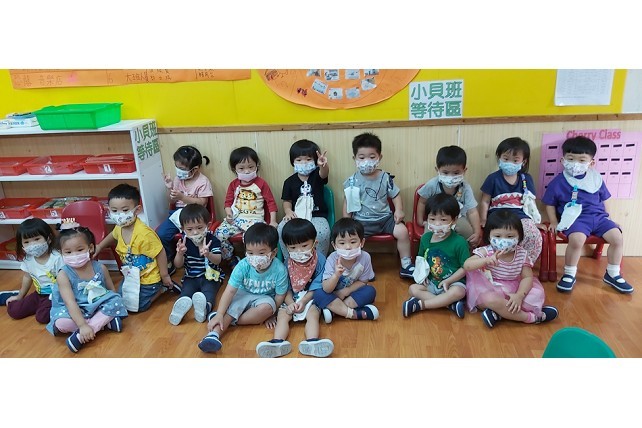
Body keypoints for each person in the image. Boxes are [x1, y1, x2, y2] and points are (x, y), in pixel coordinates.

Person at [542, 136, 633, 293]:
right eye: (571, 159)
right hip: (575, 219)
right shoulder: (558, 182)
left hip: (599, 218)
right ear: (563, 160)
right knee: (577, 240)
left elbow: (605, 199)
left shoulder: (595, 178)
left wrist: (609, 218)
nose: (576, 164)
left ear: (591, 163)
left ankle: (613, 274)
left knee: (617, 238)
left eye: (582, 160)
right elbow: (549, 204)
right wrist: (554, 221)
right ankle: (569, 273)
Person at [198, 223, 287, 353]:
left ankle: (226, 319)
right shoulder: (243, 265)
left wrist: (271, 314)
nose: (255, 257)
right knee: (233, 309)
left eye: (261, 253)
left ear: (273, 253)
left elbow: (280, 295)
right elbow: (230, 291)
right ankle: (213, 335)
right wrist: (220, 314)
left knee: (267, 308)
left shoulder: (279, 269)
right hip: (243, 294)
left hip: (265, 298)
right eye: (250, 253)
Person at [462, 210, 558, 328]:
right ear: (489, 236)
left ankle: (499, 314)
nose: (503, 240)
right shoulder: (487, 251)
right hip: (490, 287)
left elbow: (527, 277)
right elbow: (467, 265)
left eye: (510, 236)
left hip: (515, 287)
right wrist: (485, 260)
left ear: (519, 236)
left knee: (535, 295)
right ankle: (532, 317)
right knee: (489, 299)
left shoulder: (522, 254)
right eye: (497, 236)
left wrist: (519, 295)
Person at [256, 218, 334, 358]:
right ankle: (277, 343)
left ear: (315, 243)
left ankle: (312, 342)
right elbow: (284, 287)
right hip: (291, 298)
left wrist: (303, 302)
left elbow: (317, 286)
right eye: (292, 248)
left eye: (304, 246)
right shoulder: (287, 263)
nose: (299, 251)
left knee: (313, 315)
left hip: (310, 298)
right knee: (282, 315)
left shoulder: (321, 260)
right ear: (286, 248)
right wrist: (291, 303)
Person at [47, 220, 127, 353]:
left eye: (80, 250)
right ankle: (102, 324)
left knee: (117, 301)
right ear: (61, 253)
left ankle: (81, 336)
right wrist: (82, 325)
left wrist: (113, 304)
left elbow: (111, 291)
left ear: (90, 248)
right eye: (68, 252)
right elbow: (70, 302)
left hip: (97, 305)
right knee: (61, 323)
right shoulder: (63, 274)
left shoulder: (100, 267)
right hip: (74, 309)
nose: (75, 255)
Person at [342, 132, 414, 278]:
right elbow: (347, 201)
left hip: (385, 219)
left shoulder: (385, 178)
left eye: (372, 157)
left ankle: (406, 264)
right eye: (362, 157)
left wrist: (399, 210)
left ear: (379, 157)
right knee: (352, 238)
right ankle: (360, 268)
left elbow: (395, 195)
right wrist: (346, 220)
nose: (367, 161)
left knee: (402, 232)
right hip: (361, 221)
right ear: (354, 158)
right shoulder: (352, 181)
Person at [94, 184, 174, 312]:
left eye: (125, 210)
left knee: (138, 307)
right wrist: (99, 246)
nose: (119, 215)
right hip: (131, 276)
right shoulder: (119, 227)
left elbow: (160, 253)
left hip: (149, 279)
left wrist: (164, 276)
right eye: (114, 210)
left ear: (137, 210)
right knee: (120, 301)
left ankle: (161, 289)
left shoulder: (144, 234)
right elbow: (113, 235)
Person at [402, 194, 469, 319]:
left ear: (454, 220)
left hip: (453, 283)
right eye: (432, 219)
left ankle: (422, 305)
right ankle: (449, 305)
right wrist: (423, 275)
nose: (437, 224)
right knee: (413, 289)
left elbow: (465, 267)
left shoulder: (460, 242)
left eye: (443, 220)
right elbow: (420, 259)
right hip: (433, 282)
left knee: (458, 292)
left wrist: (449, 281)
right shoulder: (425, 238)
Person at [479, 137, 543, 266]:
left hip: (520, 215)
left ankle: (523, 265)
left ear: (523, 162)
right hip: (498, 215)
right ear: (499, 158)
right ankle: (498, 264)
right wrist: (483, 219)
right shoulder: (493, 178)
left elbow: (530, 202)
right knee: (499, 236)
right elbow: (485, 201)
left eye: (515, 160)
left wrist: (534, 222)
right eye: (506, 159)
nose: (510, 163)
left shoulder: (526, 179)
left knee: (532, 235)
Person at [214, 146, 279, 265]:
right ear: (234, 169)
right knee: (218, 234)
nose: (247, 171)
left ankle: (251, 263)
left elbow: (271, 203)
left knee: (253, 239)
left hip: (255, 221)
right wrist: (229, 214)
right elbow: (227, 203)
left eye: (250, 167)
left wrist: (273, 221)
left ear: (256, 166)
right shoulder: (234, 185)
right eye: (241, 168)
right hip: (236, 220)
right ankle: (230, 259)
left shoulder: (261, 183)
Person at [158, 145, 213, 274]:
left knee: (190, 237)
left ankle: (194, 262)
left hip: (195, 215)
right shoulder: (178, 179)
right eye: (177, 167)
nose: (179, 171)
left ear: (195, 169)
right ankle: (170, 259)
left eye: (182, 169)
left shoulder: (203, 181)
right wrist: (169, 188)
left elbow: (203, 202)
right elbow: (171, 201)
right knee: (161, 234)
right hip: (177, 214)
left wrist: (183, 197)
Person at [416, 145, 482, 247]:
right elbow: (422, 202)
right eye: (445, 173)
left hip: (457, 218)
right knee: (427, 237)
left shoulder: (465, 187)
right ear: (437, 170)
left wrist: (477, 232)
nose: (450, 177)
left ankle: (464, 255)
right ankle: (429, 255)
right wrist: (420, 221)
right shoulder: (432, 185)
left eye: (456, 173)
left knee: (468, 233)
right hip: (436, 218)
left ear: (464, 170)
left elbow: (472, 211)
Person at [315, 218, 379, 323]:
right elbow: (327, 289)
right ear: (334, 245)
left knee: (370, 291)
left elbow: (363, 282)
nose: (348, 247)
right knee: (318, 294)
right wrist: (336, 275)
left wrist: (345, 291)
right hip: (333, 295)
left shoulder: (365, 257)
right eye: (342, 243)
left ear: (362, 242)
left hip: (351, 294)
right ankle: (353, 314)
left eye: (353, 242)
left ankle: (335, 310)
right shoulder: (332, 259)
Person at [169, 204, 224, 325]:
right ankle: (179, 312)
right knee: (186, 293)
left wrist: (208, 254)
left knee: (209, 292)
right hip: (191, 277)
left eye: (199, 228)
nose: (195, 232)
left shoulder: (212, 240)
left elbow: (218, 260)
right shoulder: (184, 243)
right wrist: (179, 254)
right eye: (190, 229)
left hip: (210, 277)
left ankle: (205, 308)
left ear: (207, 226)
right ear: (183, 229)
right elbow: (178, 265)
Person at [2, 218, 63, 324]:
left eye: (37, 239)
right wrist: (20, 296)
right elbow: (27, 277)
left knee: (42, 317)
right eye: (26, 242)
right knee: (14, 310)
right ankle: (18, 296)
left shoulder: (57, 258)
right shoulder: (28, 259)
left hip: (56, 295)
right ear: (22, 245)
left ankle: (52, 308)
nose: (32, 245)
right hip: (38, 294)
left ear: (48, 239)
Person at [277, 139, 331, 259]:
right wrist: (288, 211)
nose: (304, 162)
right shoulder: (289, 182)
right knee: (281, 228)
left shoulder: (317, 176)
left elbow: (324, 173)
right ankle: (289, 260)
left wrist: (323, 165)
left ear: (315, 161)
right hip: (297, 216)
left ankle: (320, 260)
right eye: (299, 160)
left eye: (308, 159)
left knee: (322, 232)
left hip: (317, 216)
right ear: (293, 162)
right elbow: (287, 201)